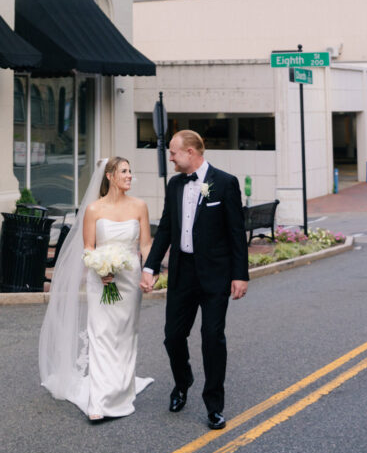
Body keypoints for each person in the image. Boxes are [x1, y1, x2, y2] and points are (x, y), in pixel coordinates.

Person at [140, 130, 249, 430]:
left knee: (212, 338)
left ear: (191, 152)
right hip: (182, 273)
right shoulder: (175, 185)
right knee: (173, 336)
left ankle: (214, 405)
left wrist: (240, 274)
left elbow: (236, 233)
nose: (170, 157)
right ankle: (182, 380)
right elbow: (165, 230)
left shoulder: (225, 183)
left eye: (174, 152)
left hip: (215, 275)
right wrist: (150, 267)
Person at [39, 157, 153, 421]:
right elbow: (88, 247)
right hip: (101, 279)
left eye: (130, 171)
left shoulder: (140, 206)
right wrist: (101, 269)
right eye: (124, 171)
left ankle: (122, 390)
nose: (129, 176)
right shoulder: (93, 210)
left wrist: (149, 270)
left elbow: (145, 244)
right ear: (110, 176)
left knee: (125, 335)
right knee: (100, 334)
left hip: (129, 279)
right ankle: (99, 401)